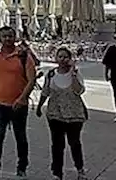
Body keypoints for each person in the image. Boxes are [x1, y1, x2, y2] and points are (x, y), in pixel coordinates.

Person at [0, 25, 38, 180]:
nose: (7, 39)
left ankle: (22, 168)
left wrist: (23, 98)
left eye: (10, 36)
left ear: (15, 37)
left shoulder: (23, 56)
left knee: (20, 137)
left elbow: (32, 80)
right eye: (4, 36)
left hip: (19, 104)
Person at [35, 47, 89, 180]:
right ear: (56, 58)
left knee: (74, 143)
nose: (63, 60)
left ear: (70, 59)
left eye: (66, 57)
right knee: (57, 145)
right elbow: (45, 91)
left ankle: (80, 169)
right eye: (60, 57)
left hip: (74, 114)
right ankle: (57, 173)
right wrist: (39, 106)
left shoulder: (75, 73)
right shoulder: (51, 74)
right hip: (55, 114)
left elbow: (79, 90)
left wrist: (74, 72)